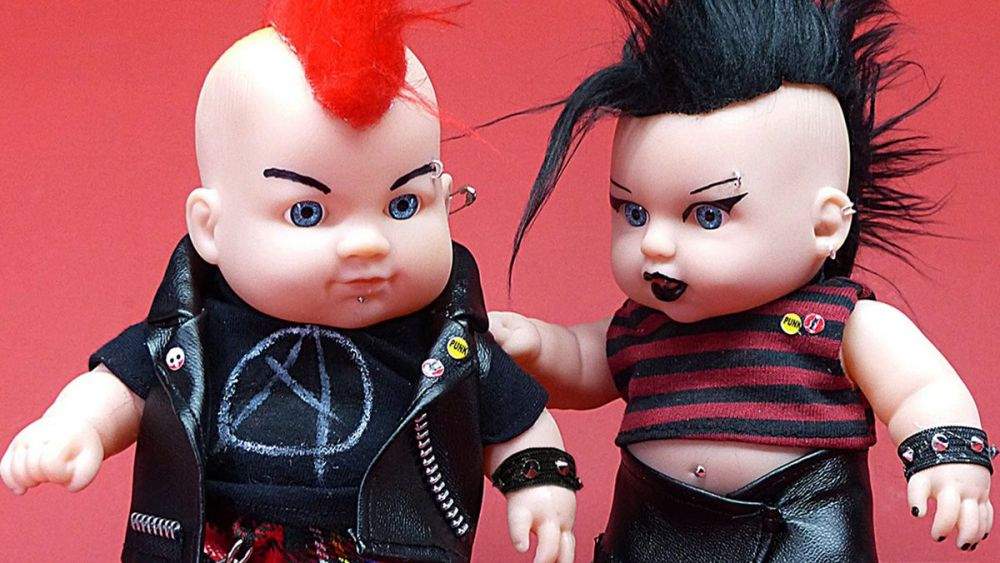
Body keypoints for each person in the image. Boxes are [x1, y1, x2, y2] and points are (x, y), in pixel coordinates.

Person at [0, 1, 579, 561]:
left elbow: (518, 421)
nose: (367, 244)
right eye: (308, 212)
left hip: (388, 547)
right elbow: (116, 389)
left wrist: (539, 481)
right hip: (228, 544)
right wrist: (74, 427)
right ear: (211, 228)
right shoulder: (192, 335)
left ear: (443, 195)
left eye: (403, 205)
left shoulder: (447, 346)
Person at [489, 0, 993, 560]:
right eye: (634, 213)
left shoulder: (837, 323)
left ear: (825, 224)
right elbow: (586, 366)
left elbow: (919, 388)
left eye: (707, 216)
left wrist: (948, 455)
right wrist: (535, 347)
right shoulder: (643, 325)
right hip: (652, 529)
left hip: (800, 528)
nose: (654, 244)